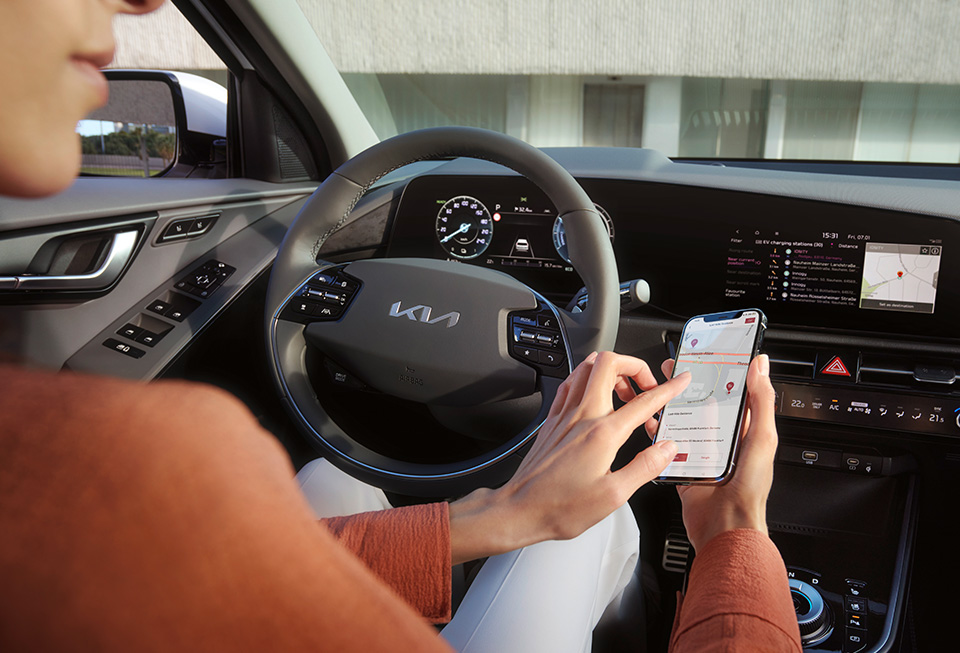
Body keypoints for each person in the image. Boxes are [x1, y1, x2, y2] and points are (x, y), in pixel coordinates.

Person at [0, 1, 802, 652]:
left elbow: (219, 574)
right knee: (595, 523)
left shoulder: (68, 482)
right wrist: (729, 530)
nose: (145, 1)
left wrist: (504, 511)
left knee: (334, 480)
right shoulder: (140, 460)